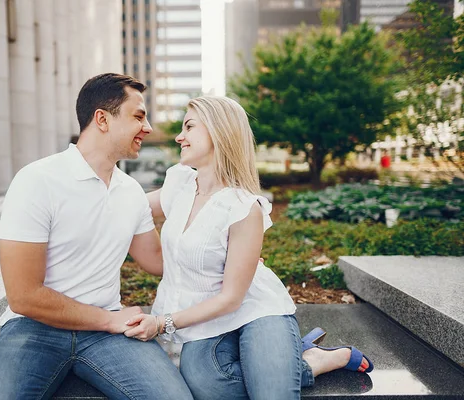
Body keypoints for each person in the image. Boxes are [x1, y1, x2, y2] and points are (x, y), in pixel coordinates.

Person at [123, 96, 373, 399]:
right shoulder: (180, 184)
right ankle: (307, 362)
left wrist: (162, 323)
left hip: (255, 309)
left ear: (219, 131)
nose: (179, 137)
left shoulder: (244, 207)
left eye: (189, 127)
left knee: (272, 394)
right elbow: (130, 207)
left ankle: (306, 360)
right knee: (211, 385)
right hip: (206, 317)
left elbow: (231, 298)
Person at [0, 73, 193, 400]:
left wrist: (230, 255)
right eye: (138, 117)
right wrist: (108, 320)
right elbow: (24, 296)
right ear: (102, 119)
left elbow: (158, 261)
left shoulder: (130, 191)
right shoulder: (37, 180)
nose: (148, 128)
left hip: (107, 337)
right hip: (34, 328)